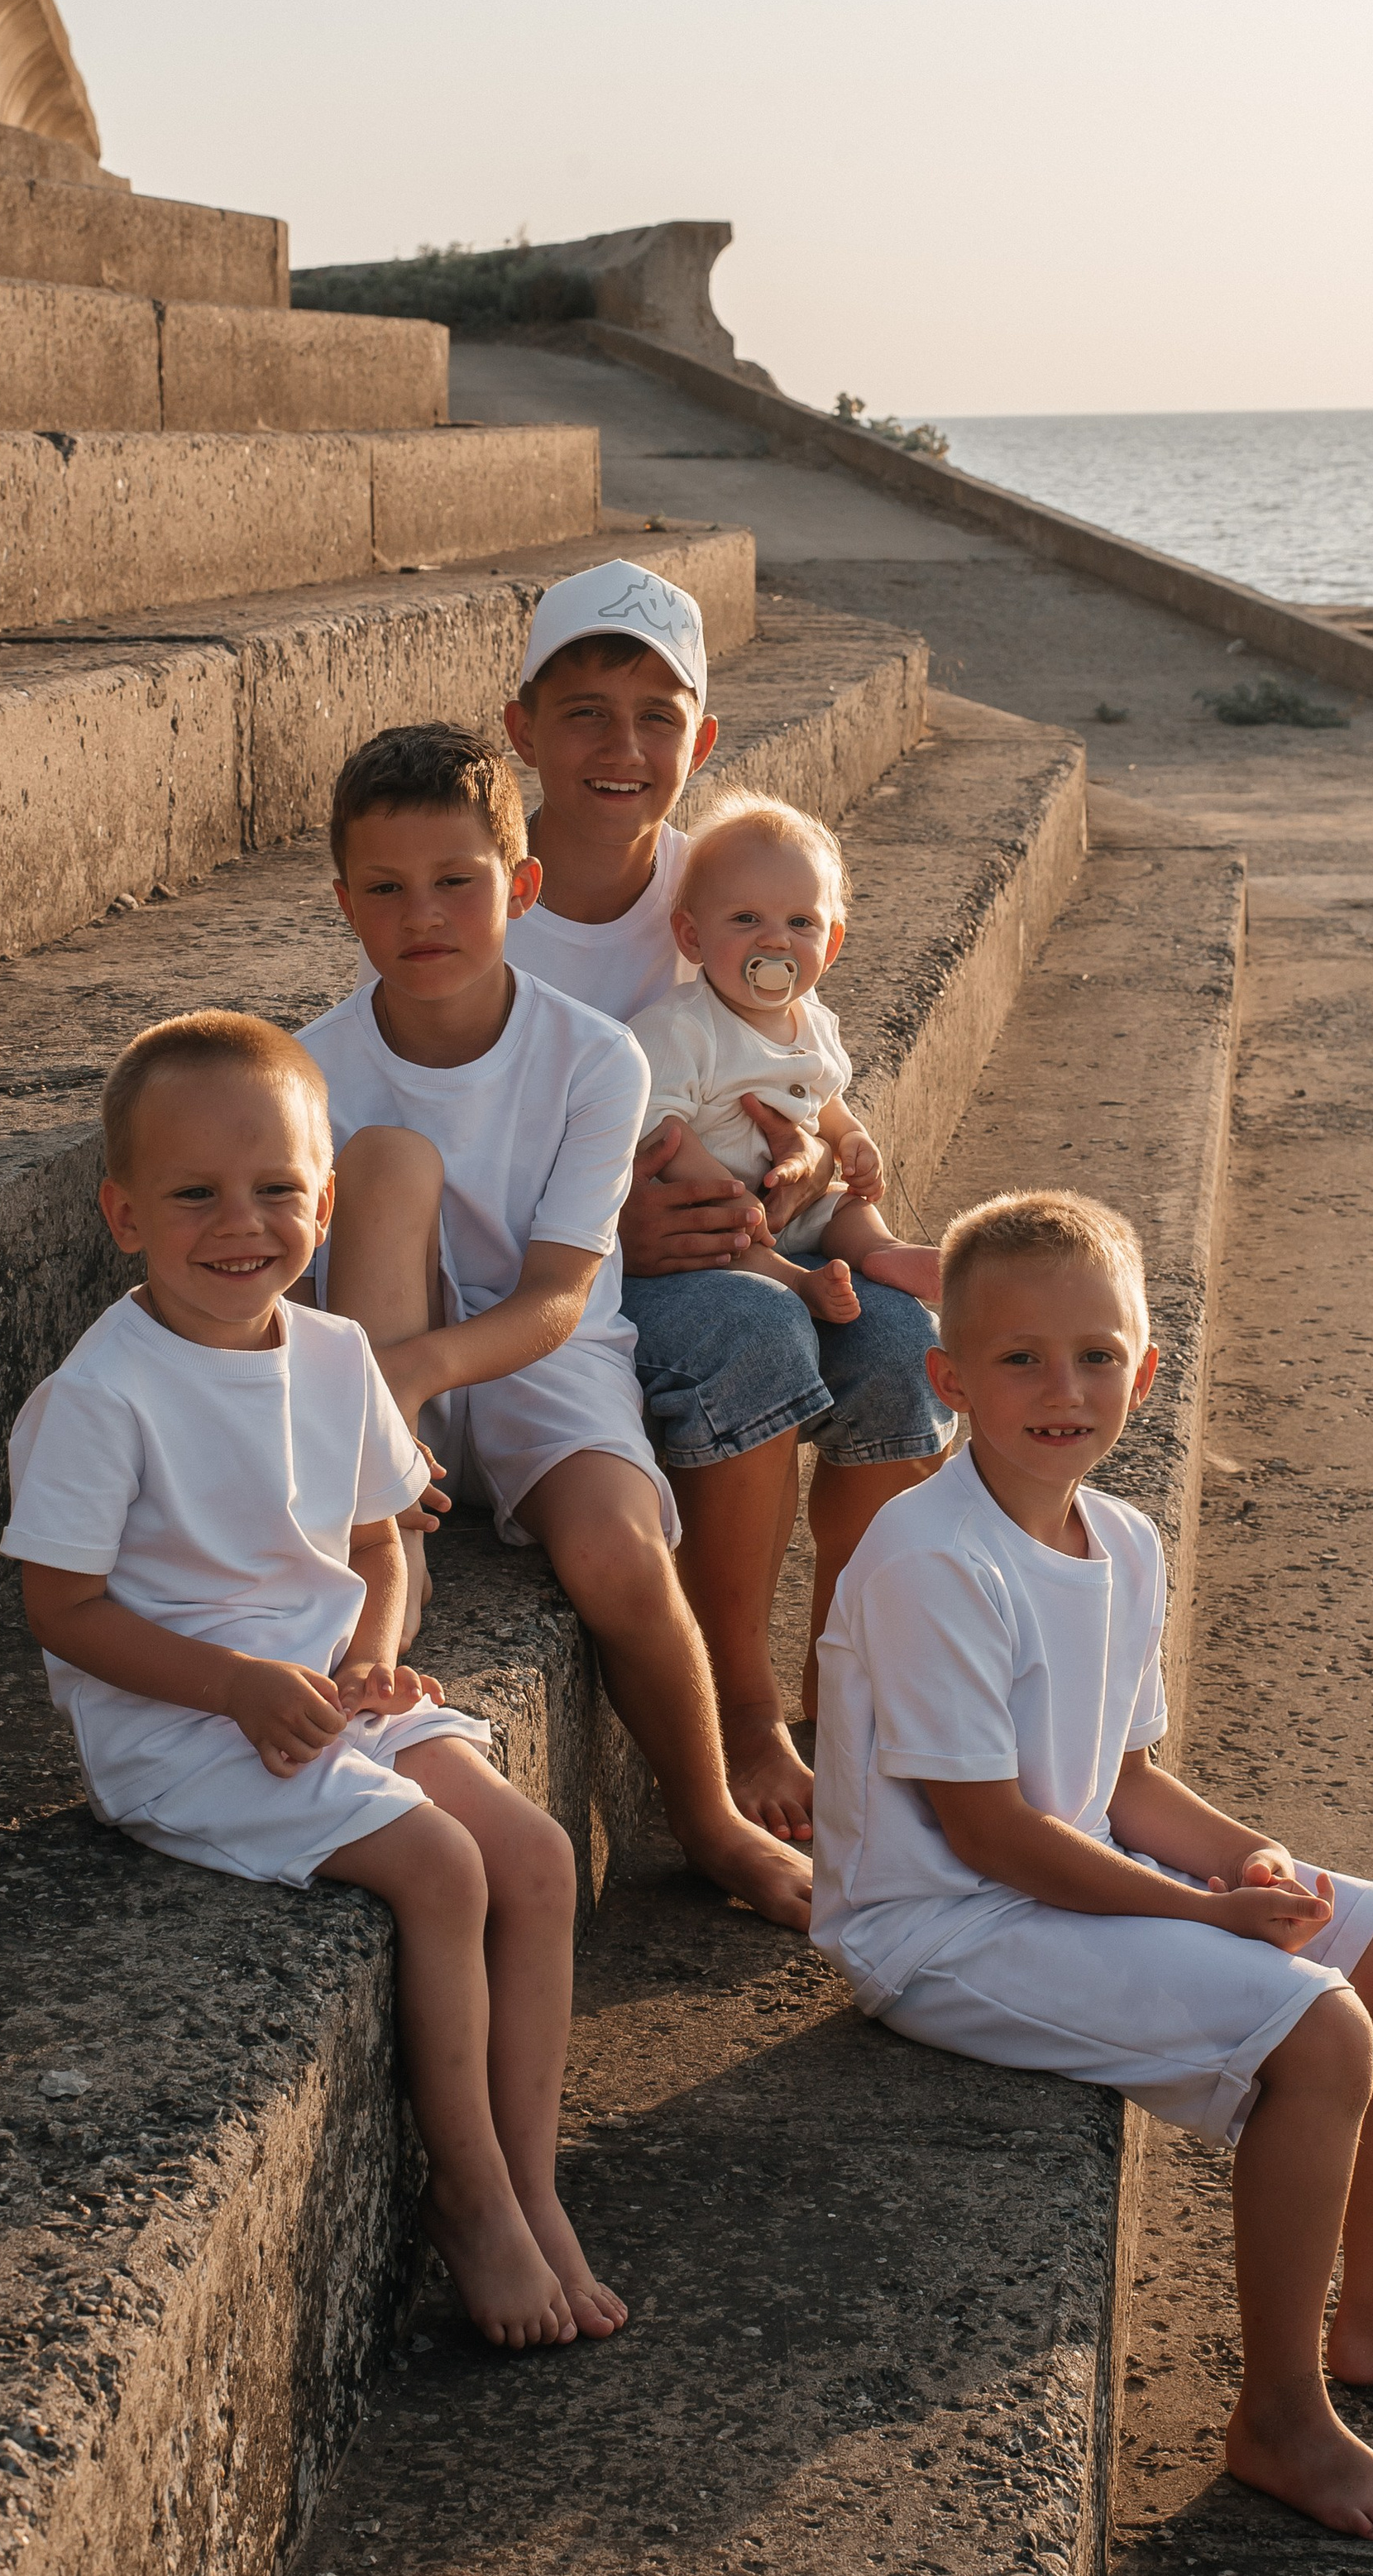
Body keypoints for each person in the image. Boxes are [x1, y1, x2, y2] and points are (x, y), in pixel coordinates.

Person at [811, 1189, 1373, 2543]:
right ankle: (1278, 2412)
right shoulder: (930, 1558)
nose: (1065, 1388)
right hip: (941, 1932)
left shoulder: (1123, 1542)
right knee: (1318, 2027)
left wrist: (1250, 1859)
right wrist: (1206, 1914)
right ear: (948, 1380)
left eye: (1098, 1355)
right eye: (1020, 1359)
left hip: (1070, 1875)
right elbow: (989, 1836)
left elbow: (1122, 1780)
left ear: (1146, 1371)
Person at [2, 1011, 622, 2350]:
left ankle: (531, 2180)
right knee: (443, 1868)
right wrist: (233, 1683)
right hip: (184, 1723)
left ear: (325, 1202)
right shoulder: (105, 1394)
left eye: (279, 1190)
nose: (244, 1224)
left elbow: (377, 1540)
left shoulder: (337, 1358)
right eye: (195, 1195)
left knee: (530, 1856)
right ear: (123, 1214)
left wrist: (372, 1651)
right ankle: (470, 2200)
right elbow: (62, 1609)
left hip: (323, 1696)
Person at [295, 720, 812, 1935]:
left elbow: (562, 1295)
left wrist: (414, 1378)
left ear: (521, 888)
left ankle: (708, 1817)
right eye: (387, 888)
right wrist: (380, 1391)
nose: (423, 914)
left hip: (538, 1353)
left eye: (457, 882)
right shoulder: (311, 1068)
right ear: (345, 903)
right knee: (387, 1159)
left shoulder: (592, 1057)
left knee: (622, 1557)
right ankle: (389, 1535)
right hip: (377, 1344)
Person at [501, 559, 955, 1846]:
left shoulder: (727, 874)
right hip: (577, 1288)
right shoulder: (485, 911)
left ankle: (853, 1700)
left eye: (659, 716)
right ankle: (745, 1713)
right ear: (523, 728)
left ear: (700, 740)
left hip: (751, 1235)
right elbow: (457, 1145)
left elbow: (794, 1047)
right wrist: (610, 1230)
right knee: (756, 1339)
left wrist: (815, 1160)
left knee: (901, 1343)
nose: (622, 746)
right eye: (585, 709)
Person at [626, 790, 940, 1324]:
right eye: (746, 918)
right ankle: (798, 1281)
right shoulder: (683, 1027)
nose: (775, 941)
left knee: (847, 1207)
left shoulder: (814, 1019)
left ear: (832, 943)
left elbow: (828, 1095)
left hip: (797, 1199)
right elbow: (660, 1125)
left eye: (801, 923)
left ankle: (883, 1250)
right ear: (692, 936)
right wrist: (726, 1195)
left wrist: (850, 1139)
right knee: (729, 1238)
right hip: (708, 1208)